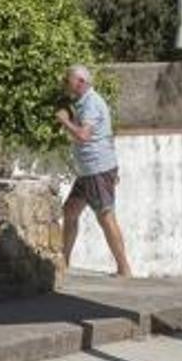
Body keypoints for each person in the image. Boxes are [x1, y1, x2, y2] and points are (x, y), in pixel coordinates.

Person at [56, 65, 132, 277]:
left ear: (80, 81)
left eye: (68, 80)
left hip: (97, 169)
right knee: (70, 211)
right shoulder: (82, 103)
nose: (65, 83)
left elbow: (83, 135)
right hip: (87, 170)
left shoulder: (90, 104)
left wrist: (64, 121)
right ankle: (64, 263)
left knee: (105, 216)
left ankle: (124, 268)